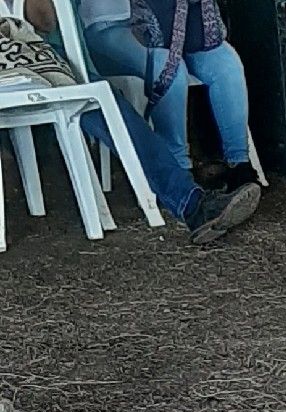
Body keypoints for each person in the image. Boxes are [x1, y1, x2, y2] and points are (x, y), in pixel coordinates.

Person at [11, 0, 260, 243]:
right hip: (33, 55)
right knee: (98, 94)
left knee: (97, 96)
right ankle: (185, 186)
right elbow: (45, 20)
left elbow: (45, 20)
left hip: (21, 56)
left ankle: (210, 186)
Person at [78, 0, 257, 191]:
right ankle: (178, 171)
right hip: (110, 26)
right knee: (169, 67)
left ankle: (239, 165)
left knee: (226, 64)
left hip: (176, 22)